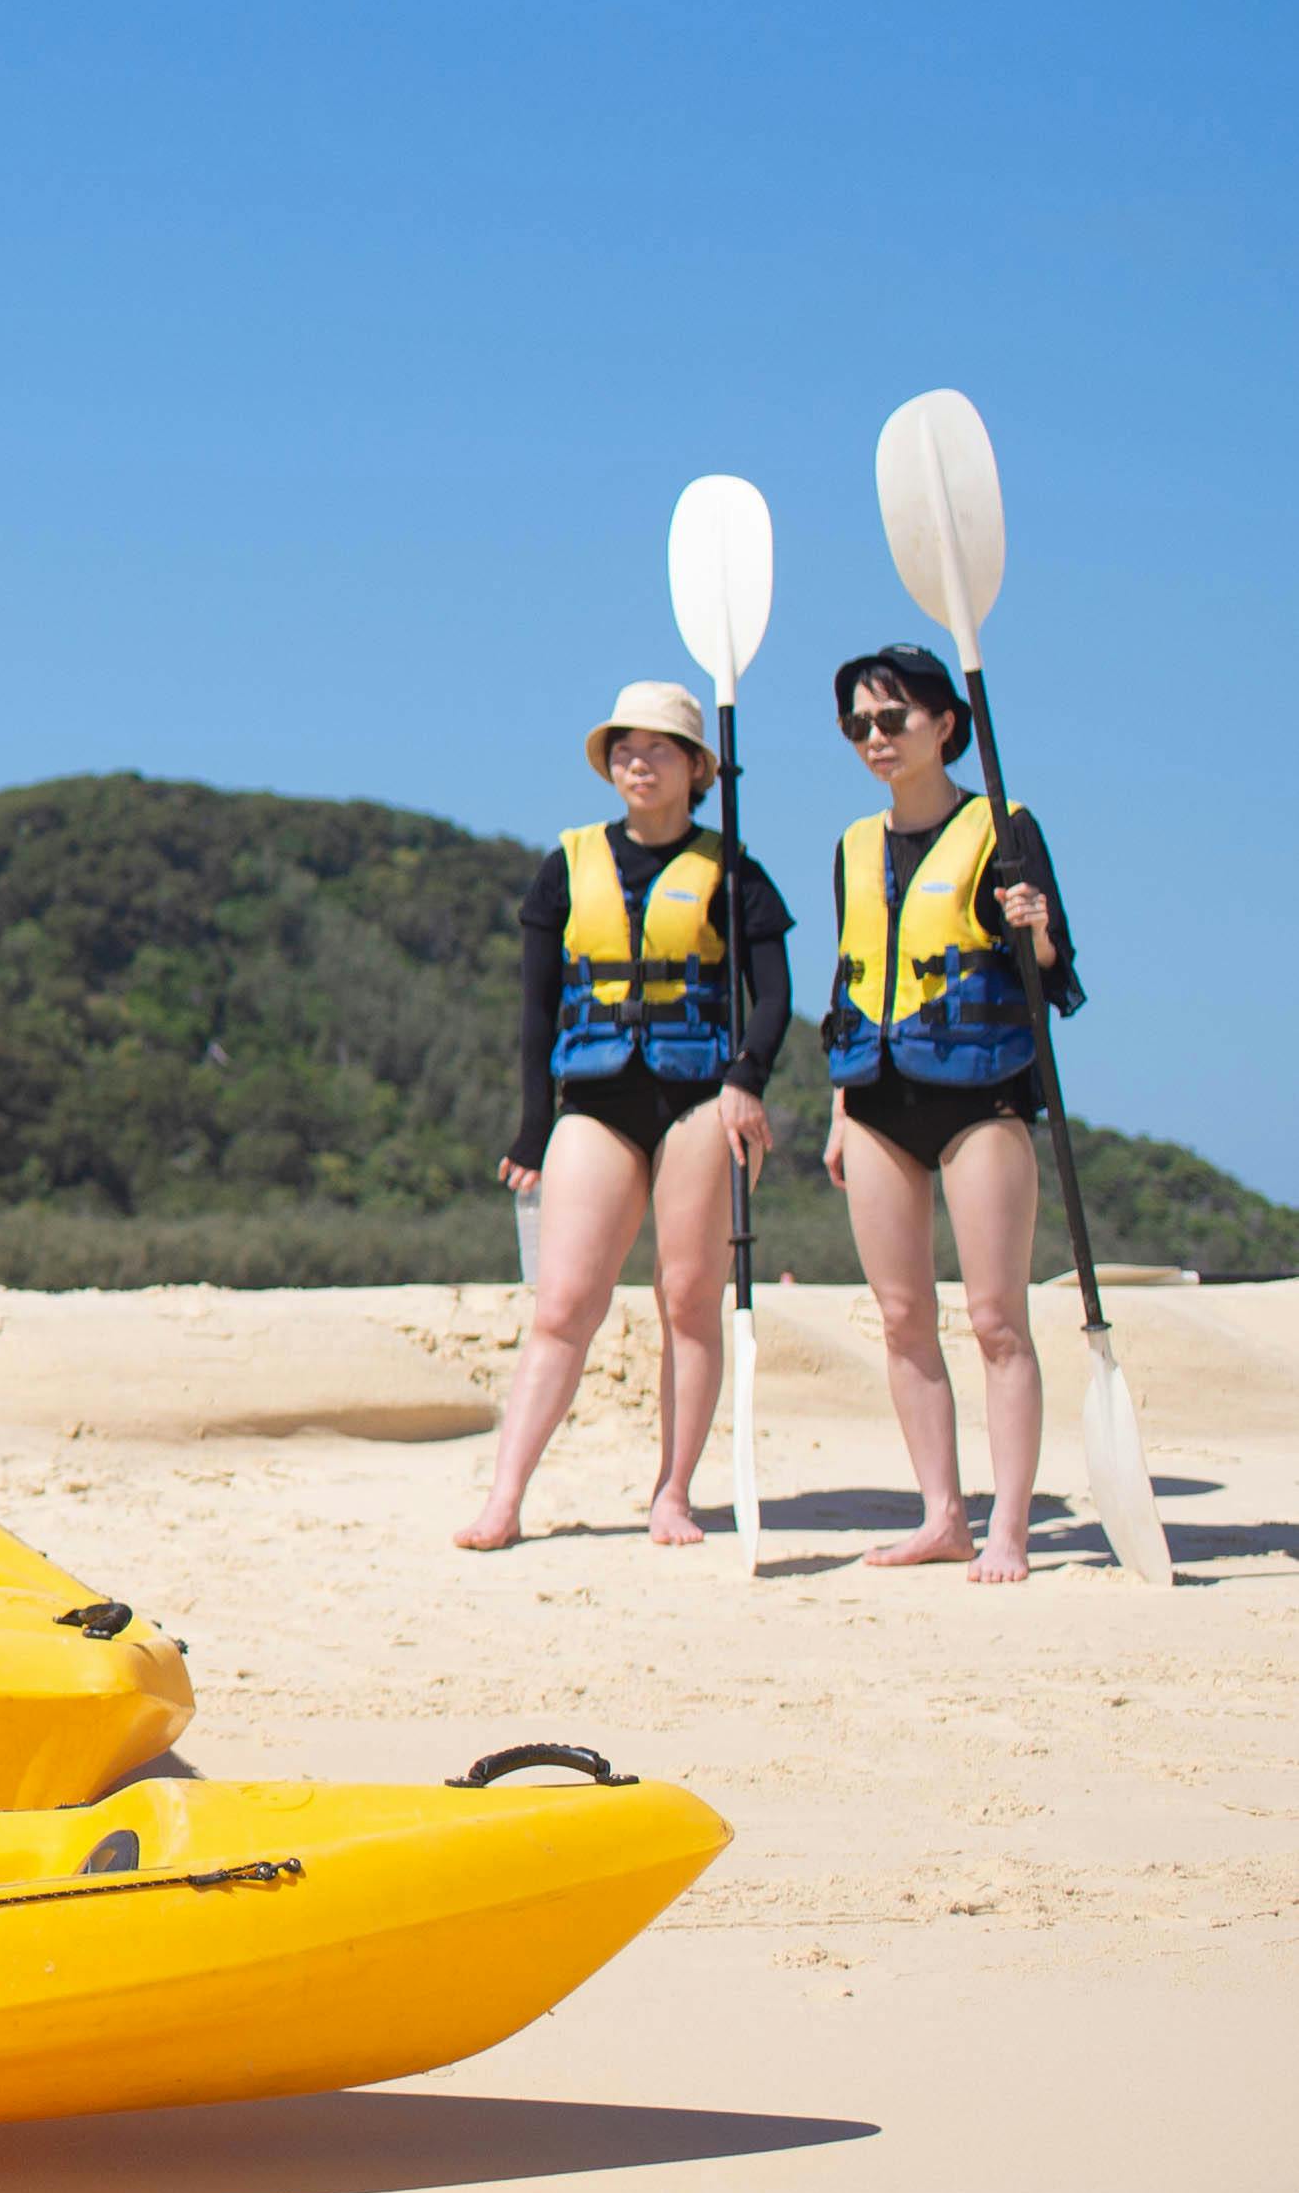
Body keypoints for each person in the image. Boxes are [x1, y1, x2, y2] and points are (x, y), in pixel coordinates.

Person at [454, 683, 791, 1554]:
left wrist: (748, 1078)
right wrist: (532, 1130)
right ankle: (505, 1496)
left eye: (661, 749)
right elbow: (535, 1013)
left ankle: (673, 1492)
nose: (639, 763)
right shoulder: (566, 866)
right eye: (626, 749)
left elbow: (773, 997)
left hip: (698, 1098)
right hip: (594, 1099)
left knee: (687, 1298)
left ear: (697, 769)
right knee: (565, 1301)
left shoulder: (734, 871)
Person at [819, 642, 1080, 1581]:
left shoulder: (1005, 830)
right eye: (858, 725)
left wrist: (1036, 931)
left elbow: (1056, 978)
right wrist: (841, 1108)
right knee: (901, 1315)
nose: (875, 739)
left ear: (945, 725)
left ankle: (1007, 1523)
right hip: (879, 1097)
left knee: (996, 1317)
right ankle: (944, 1515)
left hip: (982, 1097)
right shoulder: (852, 846)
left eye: (892, 720)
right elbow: (849, 982)